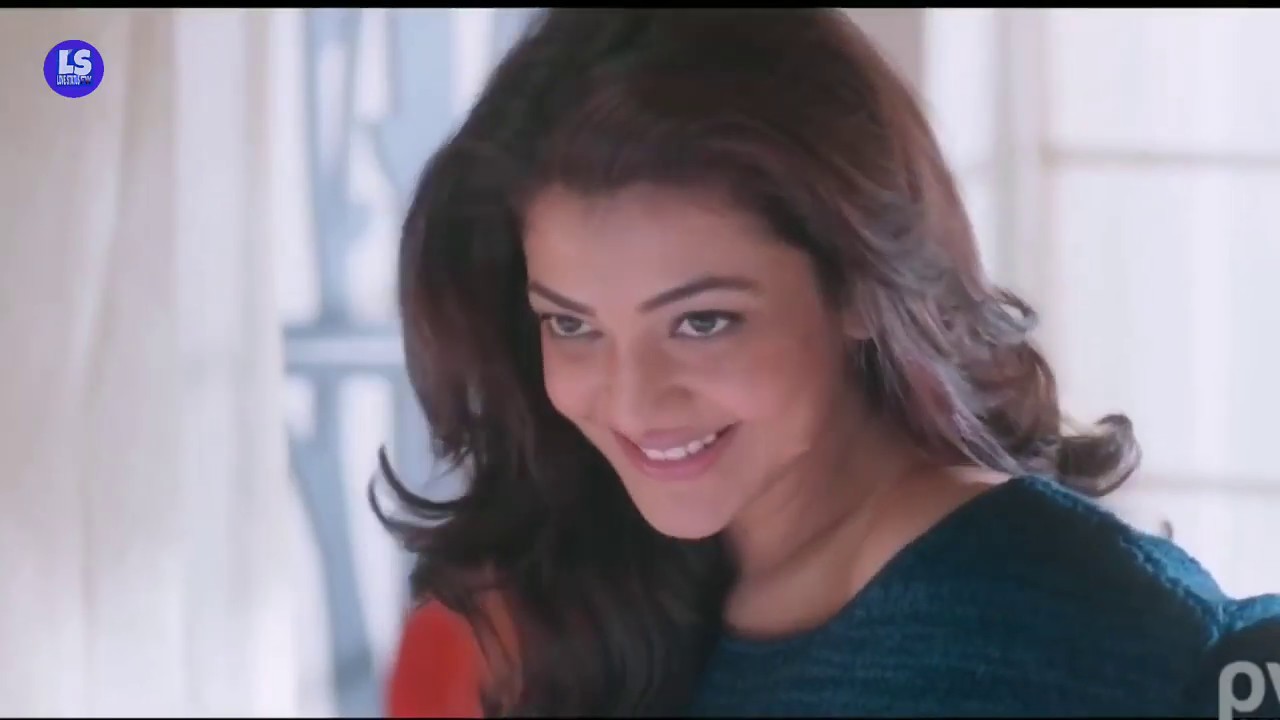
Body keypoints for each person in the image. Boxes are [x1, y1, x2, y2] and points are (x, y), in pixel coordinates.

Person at [374, 8, 1280, 717]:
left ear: (857, 288)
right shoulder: (544, 624)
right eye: (572, 325)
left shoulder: (1095, 627)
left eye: (702, 322)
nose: (633, 401)